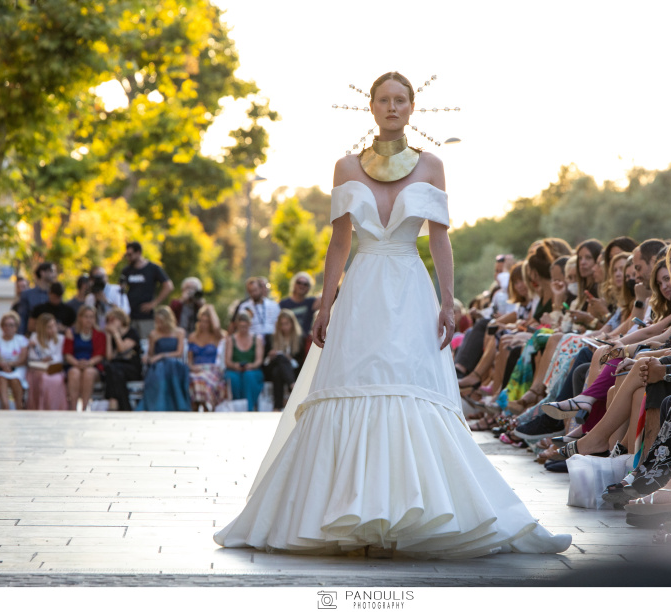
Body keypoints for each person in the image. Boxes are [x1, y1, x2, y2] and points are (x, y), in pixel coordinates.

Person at [214, 71, 570, 557]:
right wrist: (325, 304)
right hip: (361, 293)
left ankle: (413, 514)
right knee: (353, 387)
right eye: (384, 99)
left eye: (401, 99)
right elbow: (339, 240)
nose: (392, 107)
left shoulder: (432, 165)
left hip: (410, 290)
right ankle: (345, 516)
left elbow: (440, 237)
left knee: (411, 389)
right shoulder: (344, 167)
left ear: (412, 106)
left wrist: (448, 301)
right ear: (372, 106)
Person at [136, 306, 190, 412]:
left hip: (175, 364)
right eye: (157, 321)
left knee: (171, 364)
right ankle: (160, 405)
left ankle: (177, 404)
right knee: (161, 368)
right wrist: (147, 358)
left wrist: (162, 355)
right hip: (158, 365)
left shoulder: (179, 332)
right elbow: (151, 354)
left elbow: (179, 353)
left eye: (161, 321)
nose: (158, 324)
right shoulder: (154, 334)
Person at [120, 242, 174, 339]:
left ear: (139, 253)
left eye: (130, 254)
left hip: (145, 317)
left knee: (146, 343)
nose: (128, 257)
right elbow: (121, 290)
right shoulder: (127, 270)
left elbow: (168, 286)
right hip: (129, 315)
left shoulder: (153, 268)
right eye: (127, 255)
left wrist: (154, 303)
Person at [63, 305, 106, 411]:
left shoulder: (99, 335)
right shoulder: (71, 333)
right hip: (74, 364)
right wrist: (77, 363)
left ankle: (84, 408)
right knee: (74, 373)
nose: (89, 320)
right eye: (86, 317)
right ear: (80, 318)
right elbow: (67, 354)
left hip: (92, 365)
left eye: (92, 317)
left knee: (88, 373)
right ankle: (73, 409)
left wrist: (88, 363)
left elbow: (100, 354)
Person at [187, 304, 227, 410]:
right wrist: (192, 367)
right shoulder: (192, 337)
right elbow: (189, 360)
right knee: (193, 377)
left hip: (212, 370)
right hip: (196, 369)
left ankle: (206, 406)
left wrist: (211, 309)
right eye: (201, 320)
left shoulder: (217, 337)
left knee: (201, 378)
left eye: (206, 321)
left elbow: (217, 328)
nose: (203, 324)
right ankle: (199, 406)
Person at [102, 307, 143, 412]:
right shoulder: (111, 336)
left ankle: (114, 403)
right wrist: (107, 336)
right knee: (112, 369)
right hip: (116, 369)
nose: (110, 323)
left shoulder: (132, 332)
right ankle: (122, 406)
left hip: (131, 367)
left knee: (113, 370)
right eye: (108, 321)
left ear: (120, 319)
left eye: (113, 320)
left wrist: (115, 333)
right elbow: (109, 357)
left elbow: (121, 349)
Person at [223, 311, 265, 412]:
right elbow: (227, 361)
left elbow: (259, 361)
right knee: (233, 378)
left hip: (251, 370)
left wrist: (250, 366)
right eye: (241, 326)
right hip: (234, 370)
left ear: (249, 325)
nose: (243, 329)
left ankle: (248, 407)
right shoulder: (230, 339)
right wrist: (235, 365)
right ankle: (237, 406)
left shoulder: (257, 339)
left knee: (248, 376)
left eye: (245, 326)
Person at [264, 310, 304, 411]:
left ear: (292, 323)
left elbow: (300, 362)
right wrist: (270, 356)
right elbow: (265, 363)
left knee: (278, 371)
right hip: (272, 366)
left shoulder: (299, 339)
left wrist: (290, 359)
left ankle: (277, 407)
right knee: (280, 359)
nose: (284, 327)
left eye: (287, 323)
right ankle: (293, 386)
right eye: (281, 324)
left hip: (293, 370)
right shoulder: (272, 338)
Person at [26, 313, 68, 411]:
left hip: (54, 369)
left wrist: (51, 358)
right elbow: (32, 356)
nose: (53, 329)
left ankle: (54, 407)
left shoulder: (61, 338)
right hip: (38, 369)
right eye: (49, 327)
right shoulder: (34, 337)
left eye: (54, 326)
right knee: (42, 378)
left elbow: (59, 356)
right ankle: (40, 407)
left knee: (55, 380)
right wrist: (41, 357)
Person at [0, 312, 29, 410]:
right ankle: (5, 407)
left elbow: (23, 358)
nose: (8, 328)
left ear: (16, 327)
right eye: (6, 325)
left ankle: (19, 407)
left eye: (11, 325)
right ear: (2, 327)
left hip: (18, 369)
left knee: (15, 380)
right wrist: (4, 366)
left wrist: (10, 365)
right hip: (2, 369)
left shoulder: (21, 340)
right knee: (2, 380)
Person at [16, 262, 58, 335]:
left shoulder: (56, 295)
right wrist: (22, 338)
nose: (54, 274)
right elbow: (22, 318)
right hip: (32, 337)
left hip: (52, 338)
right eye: (51, 271)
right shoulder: (27, 294)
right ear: (42, 273)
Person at [279, 272, 319, 343]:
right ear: (294, 284)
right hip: (287, 340)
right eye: (299, 282)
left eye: (305, 284)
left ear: (309, 287)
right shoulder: (283, 304)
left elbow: (328, 299)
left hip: (305, 341)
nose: (302, 285)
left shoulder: (311, 302)